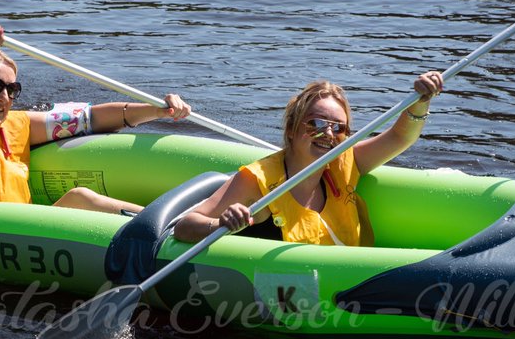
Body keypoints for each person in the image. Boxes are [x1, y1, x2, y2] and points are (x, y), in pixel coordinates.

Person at [0, 18, 191, 214]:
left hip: (25, 238)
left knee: (80, 198)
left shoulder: (20, 126)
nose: (4, 97)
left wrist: (155, 110)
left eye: (12, 89)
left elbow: (91, 119)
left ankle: (174, 227)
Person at [174, 72, 443, 246]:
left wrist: (420, 101)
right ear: (291, 129)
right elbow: (185, 226)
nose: (328, 133)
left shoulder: (346, 162)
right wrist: (221, 224)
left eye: (338, 128)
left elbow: (400, 138)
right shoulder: (258, 180)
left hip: (350, 280)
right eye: (315, 123)